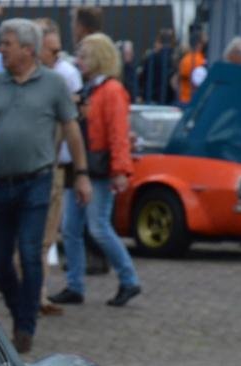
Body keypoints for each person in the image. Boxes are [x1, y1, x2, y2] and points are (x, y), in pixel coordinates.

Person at [0, 19, 91, 353]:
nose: (0, 49)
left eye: (7, 44)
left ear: (27, 49)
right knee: (0, 262)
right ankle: (19, 311)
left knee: (29, 253)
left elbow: (72, 129)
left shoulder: (53, 84)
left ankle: (25, 326)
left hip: (36, 181)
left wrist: (81, 173)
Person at [51, 33, 140, 309]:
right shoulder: (94, 89)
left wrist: (120, 169)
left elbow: (118, 133)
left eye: (84, 56)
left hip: (96, 167)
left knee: (97, 227)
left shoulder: (109, 90)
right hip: (86, 166)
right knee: (73, 228)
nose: (79, 61)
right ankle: (76, 285)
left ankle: (128, 279)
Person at [36, 18, 82, 313]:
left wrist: (81, 171)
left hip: (55, 168)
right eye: (52, 51)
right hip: (25, 170)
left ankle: (36, 295)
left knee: (46, 238)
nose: (58, 57)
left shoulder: (63, 75)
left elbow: (73, 123)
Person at [139, 28, 177, 104]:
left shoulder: (151, 58)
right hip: (169, 99)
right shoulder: (174, 58)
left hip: (151, 97)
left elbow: (143, 77)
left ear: (159, 41)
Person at [179, 29, 207, 105]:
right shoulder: (201, 60)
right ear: (199, 44)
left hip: (183, 99)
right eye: (204, 43)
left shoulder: (184, 59)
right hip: (195, 101)